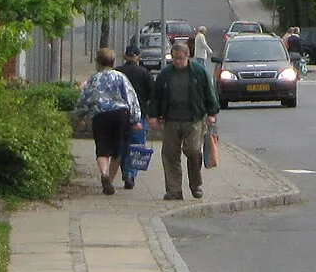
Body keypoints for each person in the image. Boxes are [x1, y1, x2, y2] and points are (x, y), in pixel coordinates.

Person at [147, 39, 219, 201]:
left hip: (193, 119)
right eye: (175, 58)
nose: (178, 62)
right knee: (170, 155)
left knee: (193, 151)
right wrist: (153, 115)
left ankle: (195, 184)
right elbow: (156, 96)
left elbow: (209, 91)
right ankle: (174, 190)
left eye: (180, 58)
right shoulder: (165, 75)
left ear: (187, 57)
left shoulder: (198, 72)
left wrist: (211, 112)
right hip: (171, 120)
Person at [73, 47, 141, 195]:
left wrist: (79, 115)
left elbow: (85, 99)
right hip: (120, 114)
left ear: (98, 61)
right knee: (117, 151)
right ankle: (109, 180)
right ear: (113, 61)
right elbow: (131, 97)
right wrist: (135, 119)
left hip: (100, 115)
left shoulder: (93, 79)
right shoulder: (120, 77)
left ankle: (104, 174)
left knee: (102, 149)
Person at [118, 52, 156, 190]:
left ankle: (124, 171)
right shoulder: (144, 73)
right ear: (138, 57)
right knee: (136, 146)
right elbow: (152, 94)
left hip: (120, 114)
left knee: (122, 145)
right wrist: (151, 113)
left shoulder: (118, 72)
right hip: (138, 115)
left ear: (124, 57)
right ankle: (130, 173)